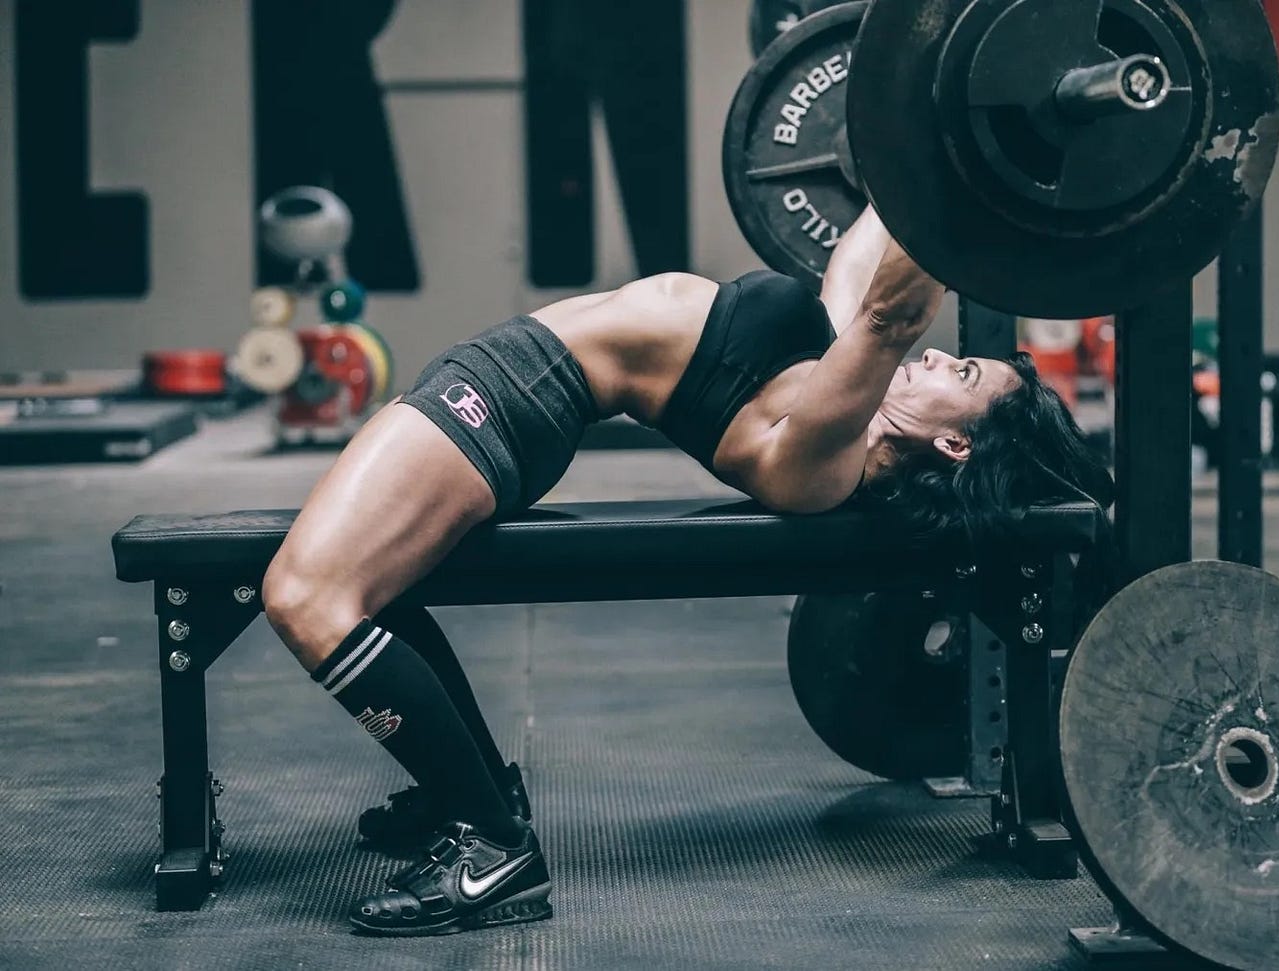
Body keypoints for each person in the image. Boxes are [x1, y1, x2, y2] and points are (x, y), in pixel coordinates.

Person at [260, 208, 1113, 936]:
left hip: (520, 396)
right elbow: (873, 237)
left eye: (959, 371)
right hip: (511, 374)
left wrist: (964, 168)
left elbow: (897, 307)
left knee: (305, 597)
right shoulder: (841, 377)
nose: (935, 358)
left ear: (956, 444)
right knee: (371, 587)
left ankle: (493, 845)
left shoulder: (830, 452)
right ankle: (475, 788)